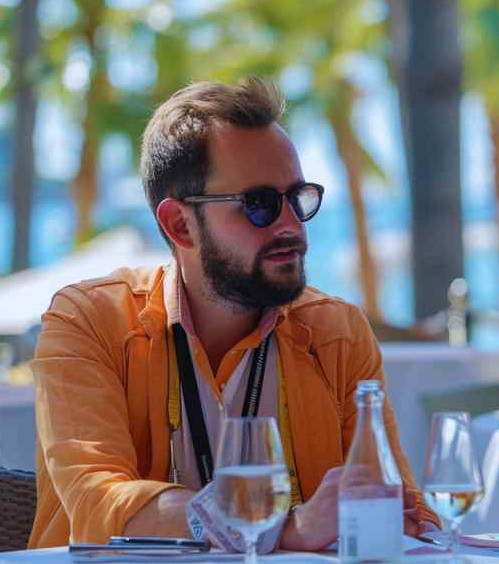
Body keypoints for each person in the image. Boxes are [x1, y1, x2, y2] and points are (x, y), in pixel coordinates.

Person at [28, 77, 438, 550]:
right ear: (180, 224)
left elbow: (403, 510)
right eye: (259, 205)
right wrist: (279, 530)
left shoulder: (336, 332)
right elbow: (96, 499)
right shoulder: (88, 321)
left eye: (297, 198)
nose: (290, 226)